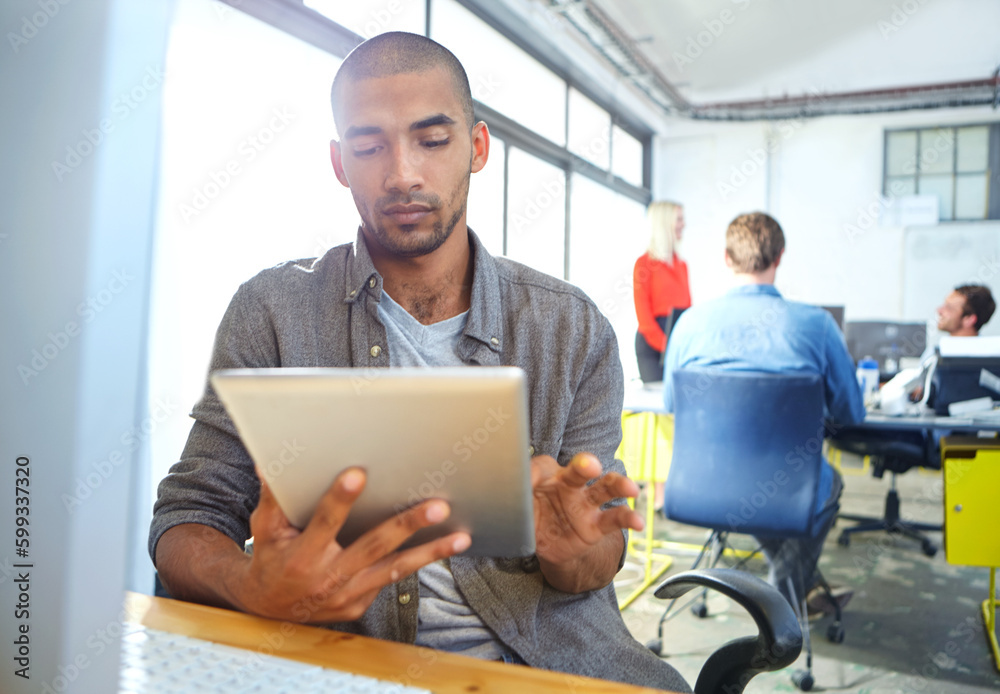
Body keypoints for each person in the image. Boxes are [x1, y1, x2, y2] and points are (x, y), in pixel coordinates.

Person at [149, 32, 689, 692]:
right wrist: (248, 583)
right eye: (369, 145)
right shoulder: (271, 312)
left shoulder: (571, 327)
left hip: (546, 666)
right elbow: (186, 518)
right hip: (344, 669)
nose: (401, 172)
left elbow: (593, 561)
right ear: (338, 161)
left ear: (478, 147)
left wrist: (575, 552)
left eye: (432, 140)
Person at [662, 212, 865, 617]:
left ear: (726, 258)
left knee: (764, 489)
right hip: (786, 488)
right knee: (825, 484)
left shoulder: (689, 324)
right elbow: (850, 412)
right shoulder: (818, 326)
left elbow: (673, 404)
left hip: (702, 486)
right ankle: (787, 598)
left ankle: (788, 589)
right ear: (780, 256)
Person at [633, 201, 690, 383]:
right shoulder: (644, 264)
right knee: (658, 405)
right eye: (679, 219)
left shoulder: (682, 265)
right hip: (652, 344)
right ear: (665, 223)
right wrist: (668, 346)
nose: (684, 224)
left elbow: (688, 311)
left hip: (676, 342)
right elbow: (644, 320)